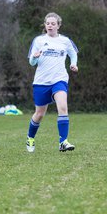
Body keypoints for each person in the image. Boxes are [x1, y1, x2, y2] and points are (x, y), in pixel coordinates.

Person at [26, 12, 78, 153]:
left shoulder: (65, 41)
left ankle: (63, 142)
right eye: (48, 23)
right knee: (40, 114)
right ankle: (30, 137)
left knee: (62, 107)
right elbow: (31, 62)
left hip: (59, 79)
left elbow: (73, 53)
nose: (50, 25)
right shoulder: (38, 40)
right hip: (41, 81)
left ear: (58, 26)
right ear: (45, 25)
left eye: (53, 23)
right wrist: (34, 58)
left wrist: (73, 64)